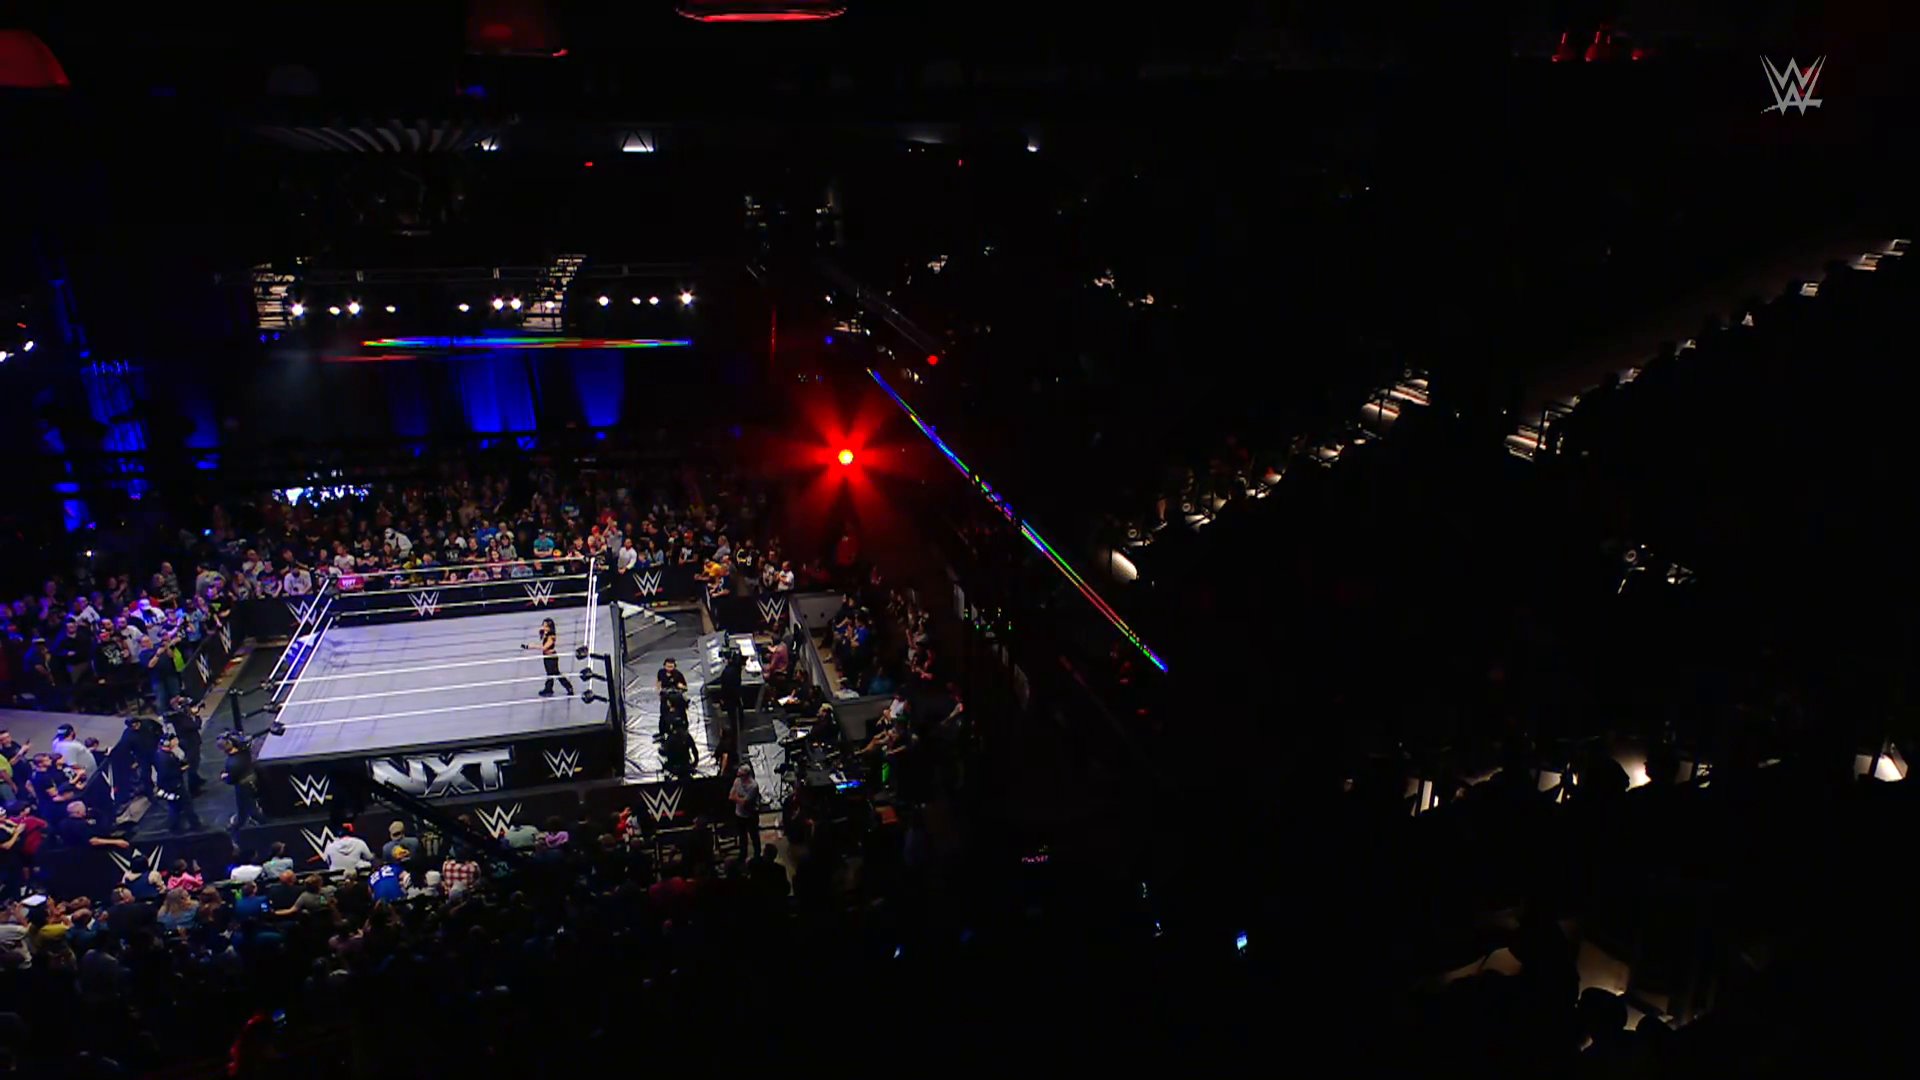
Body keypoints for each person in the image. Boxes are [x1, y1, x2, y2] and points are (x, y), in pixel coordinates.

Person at [219, 729, 268, 831]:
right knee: (241, 805)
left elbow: (232, 779)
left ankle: (265, 825)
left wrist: (225, 777)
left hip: (243, 785)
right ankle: (240, 822)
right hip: (250, 779)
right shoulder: (244, 752)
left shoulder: (233, 763)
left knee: (250, 808)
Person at [152, 733, 201, 834]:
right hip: (174, 785)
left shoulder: (165, 754)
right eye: (174, 740)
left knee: (176, 806)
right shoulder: (164, 758)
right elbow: (166, 773)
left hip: (172, 784)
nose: (176, 742)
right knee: (183, 804)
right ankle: (193, 825)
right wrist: (180, 770)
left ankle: (177, 826)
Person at [521, 617, 575, 698]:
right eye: (543, 625)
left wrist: (533, 646)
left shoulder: (551, 637)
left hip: (551, 657)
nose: (543, 627)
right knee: (550, 674)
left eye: (545, 626)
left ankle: (568, 687)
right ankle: (549, 688)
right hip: (546, 657)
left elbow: (545, 647)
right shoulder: (546, 634)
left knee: (556, 673)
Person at [728, 764, 762, 857]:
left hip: (751, 815)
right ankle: (743, 854)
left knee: (754, 835)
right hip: (739, 814)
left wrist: (736, 798)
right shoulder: (737, 781)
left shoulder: (753, 786)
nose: (739, 777)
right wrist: (739, 799)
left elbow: (745, 802)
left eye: (741, 775)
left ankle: (757, 854)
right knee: (742, 837)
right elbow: (730, 796)